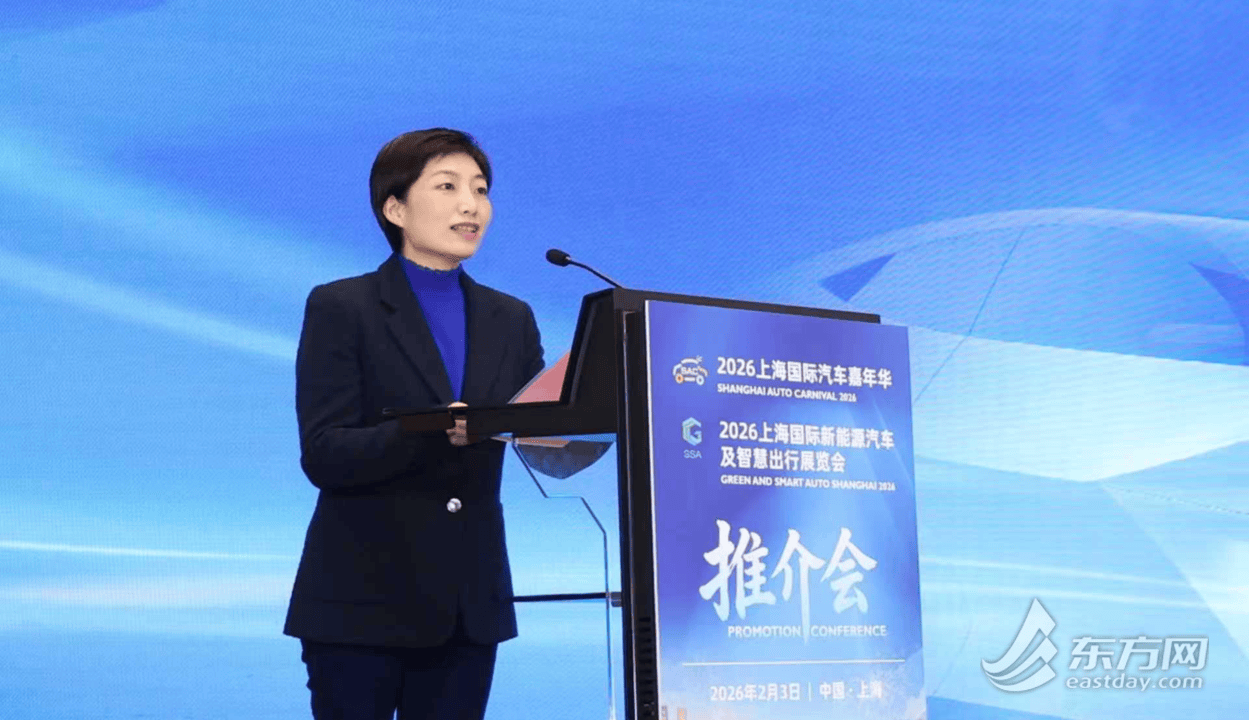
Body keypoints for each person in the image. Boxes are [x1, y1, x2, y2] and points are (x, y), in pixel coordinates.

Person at [284, 128, 544, 720]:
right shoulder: (341, 306)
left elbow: (539, 436)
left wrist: (583, 413)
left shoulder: (511, 318)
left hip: (467, 607)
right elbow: (324, 452)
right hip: (360, 602)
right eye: (448, 187)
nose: (471, 205)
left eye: (480, 189)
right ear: (395, 208)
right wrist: (425, 431)